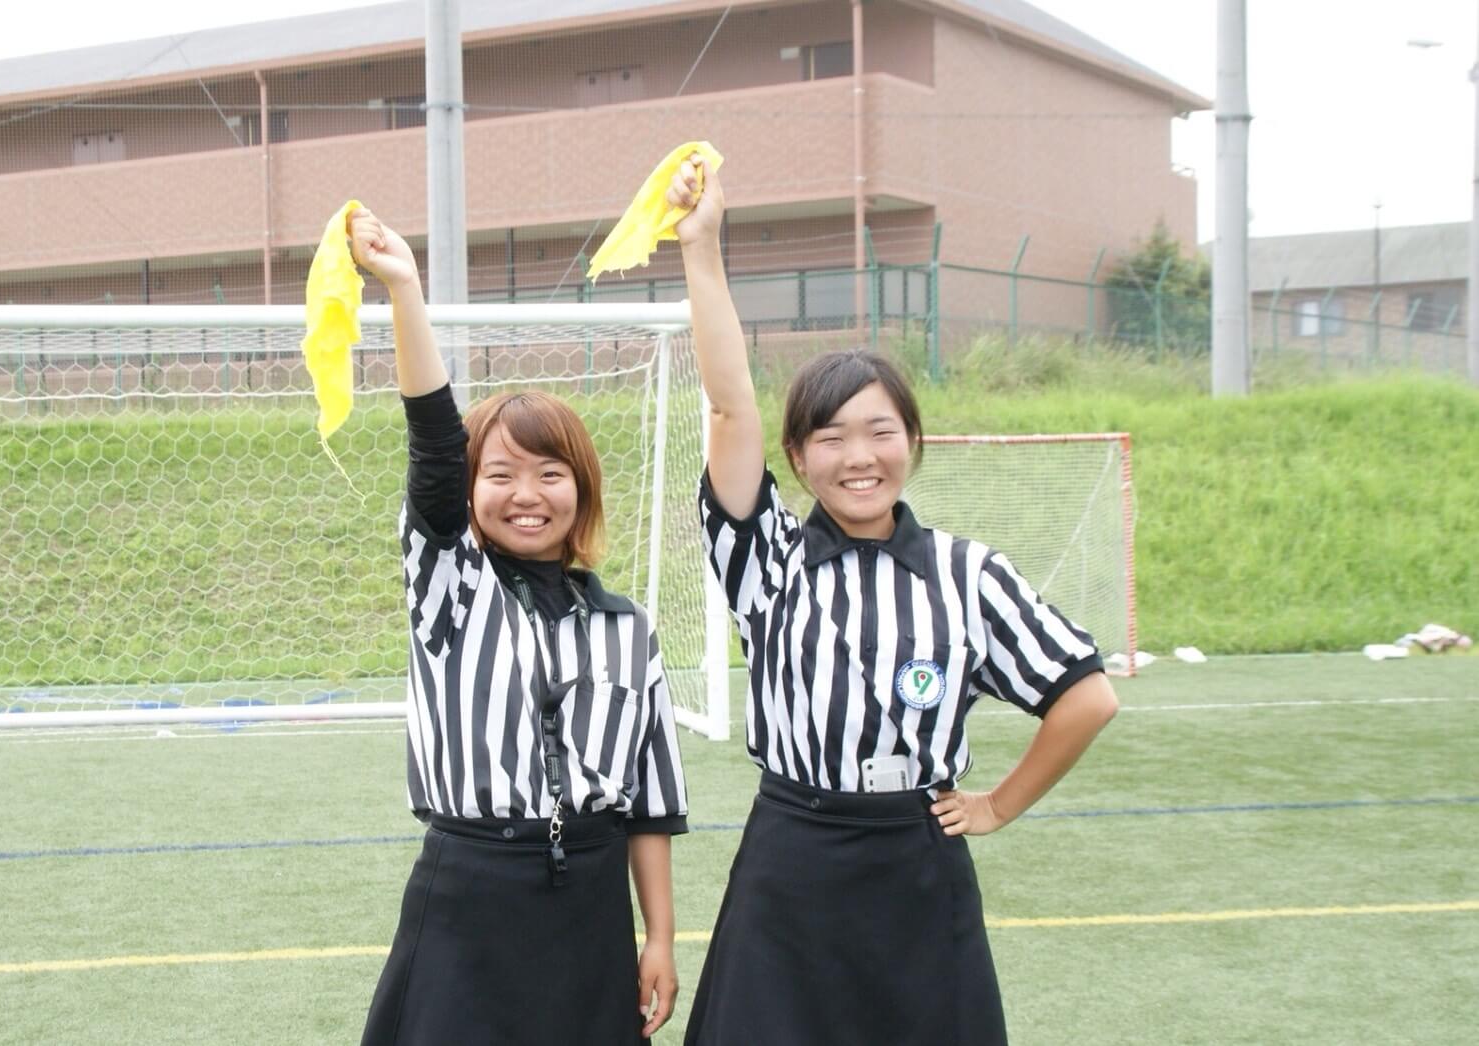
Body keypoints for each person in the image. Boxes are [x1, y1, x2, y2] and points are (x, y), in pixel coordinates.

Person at [670, 156, 1120, 1046]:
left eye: (880, 431)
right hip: (792, 856)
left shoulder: (969, 574)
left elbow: (1087, 696)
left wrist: (997, 803)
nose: (858, 456)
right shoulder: (771, 561)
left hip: (919, 864)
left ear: (912, 441)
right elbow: (729, 411)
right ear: (798, 459)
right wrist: (702, 249)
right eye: (829, 437)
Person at [349, 206, 688, 1045]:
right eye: (499, 474)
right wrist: (405, 290)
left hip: (591, 904)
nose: (527, 493)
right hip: (470, 890)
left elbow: (650, 802)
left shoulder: (626, 628)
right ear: (471, 495)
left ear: (582, 493)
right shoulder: (450, 588)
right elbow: (433, 449)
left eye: (550, 472)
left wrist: (661, 937)